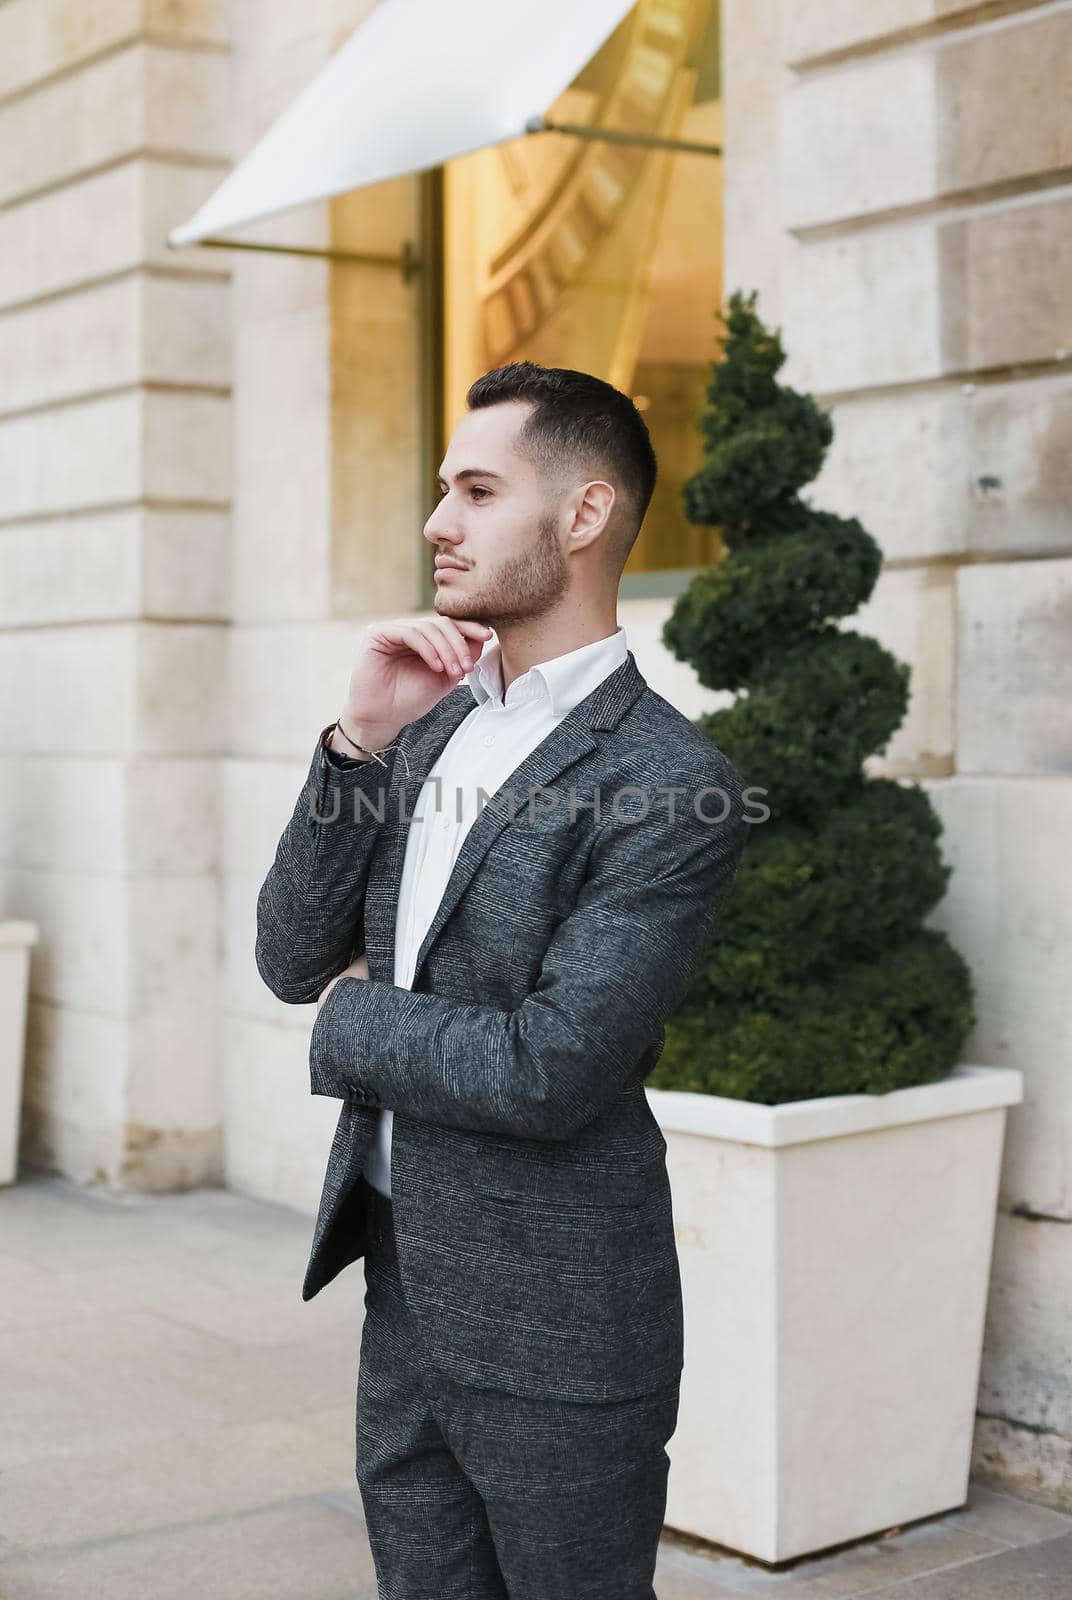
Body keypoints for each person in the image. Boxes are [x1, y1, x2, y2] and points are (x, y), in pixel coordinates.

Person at [255, 361, 750, 1598]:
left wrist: (353, 1017)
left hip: (559, 1324)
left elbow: (550, 1065)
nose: (437, 524)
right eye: (441, 491)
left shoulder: (666, 779)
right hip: (402, 1288)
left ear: (581, 517)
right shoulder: (421, 725)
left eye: (477, 491)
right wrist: (354, 740)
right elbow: (287, 955)